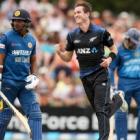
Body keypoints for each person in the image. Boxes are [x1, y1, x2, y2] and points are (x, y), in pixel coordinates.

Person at [56, 1, 128, 140]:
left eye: (79, 12)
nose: (75, 15)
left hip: (100, 74)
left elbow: (114, 50)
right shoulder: (72, 35)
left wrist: (109, 60)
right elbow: (68, 58)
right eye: (75, 12)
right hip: (84, 76)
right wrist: (60, 53)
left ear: (87, 14)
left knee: (101, 110)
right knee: (100, 111)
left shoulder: (100, 32)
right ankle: (118, 100)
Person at [0, 9, 42, 140]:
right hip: (8, 83)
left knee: (36, 115)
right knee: (3, 117)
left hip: (25, 85)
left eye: (20, 21)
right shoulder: (6, 37)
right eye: (14, 20)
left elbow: (33, 60)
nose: (16, 23)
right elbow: (0, 58)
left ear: (27, 23)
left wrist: (34, 75)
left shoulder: (31, 40)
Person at [110, 28, 140, 140]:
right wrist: (112, 86)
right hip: (124, 83)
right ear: (126, 38)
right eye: (132, 41)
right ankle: (122, 138)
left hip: (139, 83)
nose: (133, 44)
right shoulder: (119, 50)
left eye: (135, 42)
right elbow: (110, 69)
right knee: (122, 111)